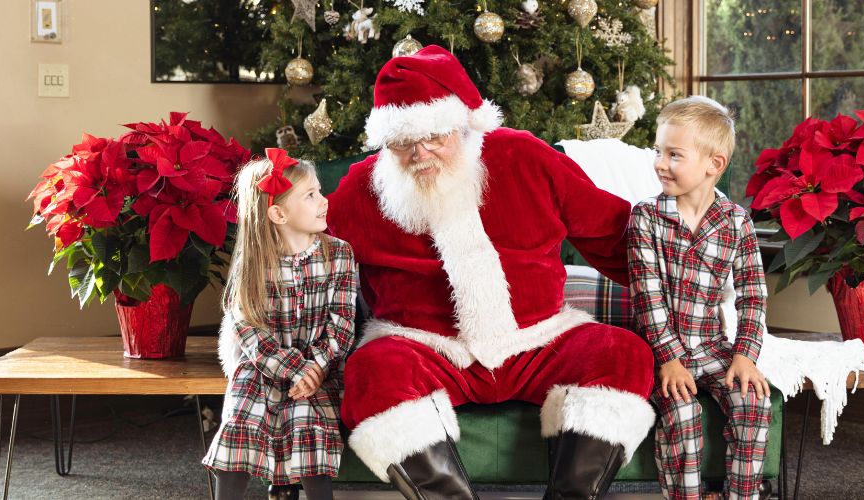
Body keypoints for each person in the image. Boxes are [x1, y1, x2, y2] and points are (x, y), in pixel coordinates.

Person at [326, 45, 656, 499]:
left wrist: (697, 279)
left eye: (436, 136)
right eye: (404, 142)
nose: (421, 153)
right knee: (373, 372)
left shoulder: (525, 157)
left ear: (464, 124)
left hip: (540, 340)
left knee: (622, 353)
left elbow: (617, 234)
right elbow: (302, 256)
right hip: (427, 350)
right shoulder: (363, 190)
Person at [628, 96, 772, 500]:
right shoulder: (646, 218)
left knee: (753, 405)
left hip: (712, 346)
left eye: (674, 154)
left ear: (714, 164)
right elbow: (648, 296)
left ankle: (741, 496)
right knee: (682, 412)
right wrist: (669, 360)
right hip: (659, 351)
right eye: (658, 151)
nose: (659, 163)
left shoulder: (736, 221)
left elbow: (753, 293)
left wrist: (745, 353)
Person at [203, 148, 356, 500]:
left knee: (309, 430)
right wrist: (292, 368)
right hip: (263, 368)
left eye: (320, 190)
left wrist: (314, 367)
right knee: (240, 423)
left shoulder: (340, 255)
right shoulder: (253, 265)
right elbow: (249, 330)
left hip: (319, 371)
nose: (324, 200)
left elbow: (342, 324)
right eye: (311, 195)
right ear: (278, 213)